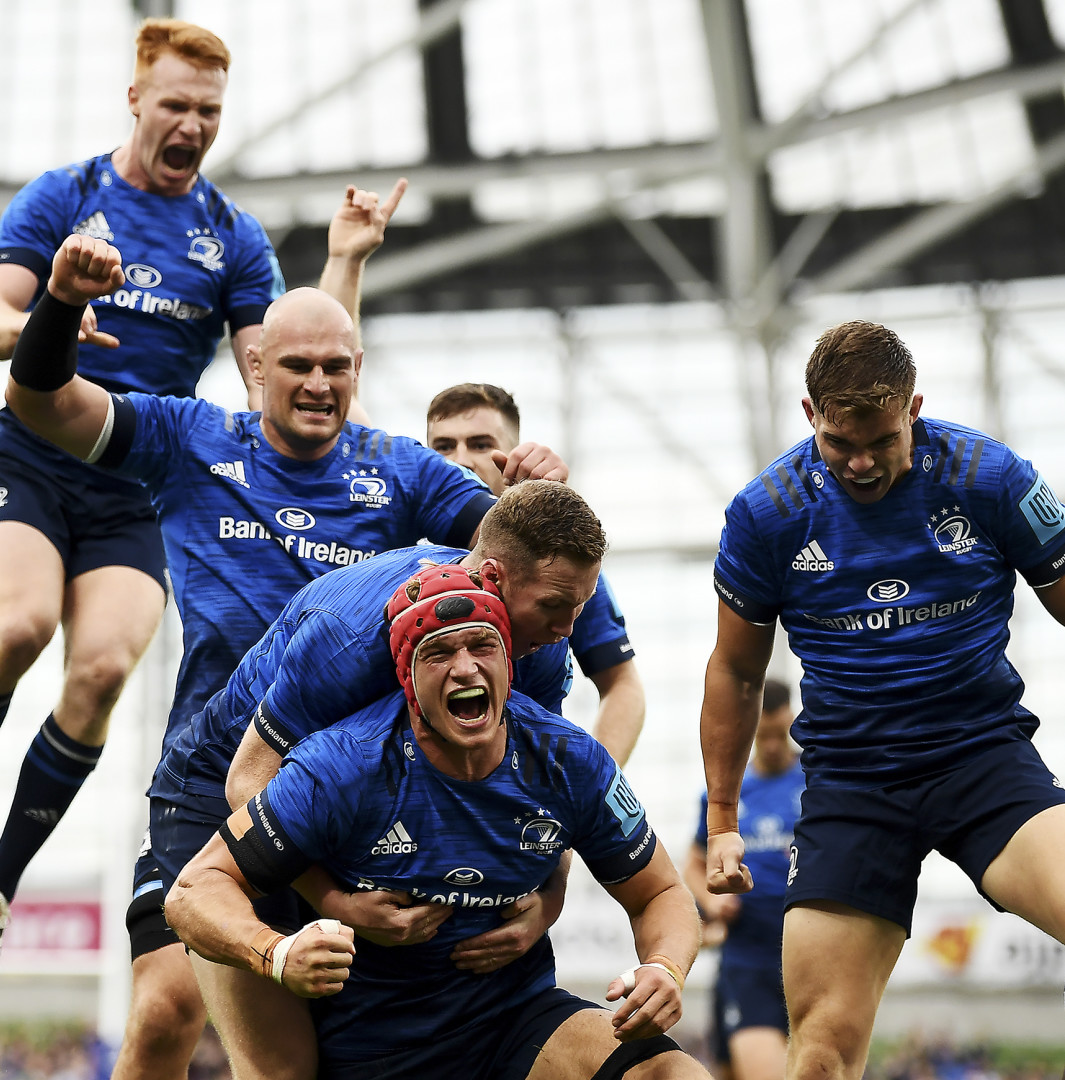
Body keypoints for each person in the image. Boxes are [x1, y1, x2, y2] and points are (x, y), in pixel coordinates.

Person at [0, 16, 402, 1000]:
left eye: (209, 111)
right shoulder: (67, 197)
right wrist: (57, 307)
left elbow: (287, 376)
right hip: (37, 463)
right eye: (175, 105)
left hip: (136, 493)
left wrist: (344, 266)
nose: (192, 125)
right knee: (23, 626)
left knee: (107, 666)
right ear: (135, 101)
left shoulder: (232, 238)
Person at [0, 234, 568, 1078]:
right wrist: (59, 302)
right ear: (254, 364)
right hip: (215, 771)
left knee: (325, 1052)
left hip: (349, 794)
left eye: (336, 367)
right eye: (295, 364)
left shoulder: (402, 470)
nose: (317, 383)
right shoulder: (187, 438)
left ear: (358, 371)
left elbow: (514, 567)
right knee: (164, 1012)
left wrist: (535, 489)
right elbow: (39, 399)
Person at [164, 562, 709, 1080]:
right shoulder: (343, 766)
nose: (466, 667)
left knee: (671, 1072)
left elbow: (660, 891)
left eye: (482, 646)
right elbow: (193, 892)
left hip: (517, 1022)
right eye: (439, 652)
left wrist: (664, 967)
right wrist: (277, 953)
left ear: (508, 663)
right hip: (371, 1046)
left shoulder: (570, 760)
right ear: (407, 677)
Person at [700, 320, 1065, 1080]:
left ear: (913, 409)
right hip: (851, 783)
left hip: (982, 760)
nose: (860, 463)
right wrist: (723, 822)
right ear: (810, 417)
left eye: (881, 440)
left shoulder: (990, 477)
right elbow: (735, 672)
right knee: (821, 1053)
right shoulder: (765, 513)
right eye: (839, 444)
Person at [151, 477, 609, 1077]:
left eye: (581, 606)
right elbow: (248, 781)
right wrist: (335, 900)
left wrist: (548, 897)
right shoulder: (350, 639)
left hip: (338, 805)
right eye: (555, 605)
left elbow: (543, 783)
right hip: (221, 790)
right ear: (494, 578)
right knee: (282, 1066)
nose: (568, 628)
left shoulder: (534, 645)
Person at [426, 382, 645, 764]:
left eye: (479, 444)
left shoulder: (562, 574)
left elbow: (622, 685)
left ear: (511, 455)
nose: (459, 460)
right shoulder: (409, 555)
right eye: (443, 446)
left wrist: (592, 790)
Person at [683, 678, 801, 1080]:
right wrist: (713, 902)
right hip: (748, 953)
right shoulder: (726, 791)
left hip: (810, 948)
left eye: (779, 734)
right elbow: (694, 863)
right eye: (762, 735)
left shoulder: (818, 780)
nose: (771, 744)